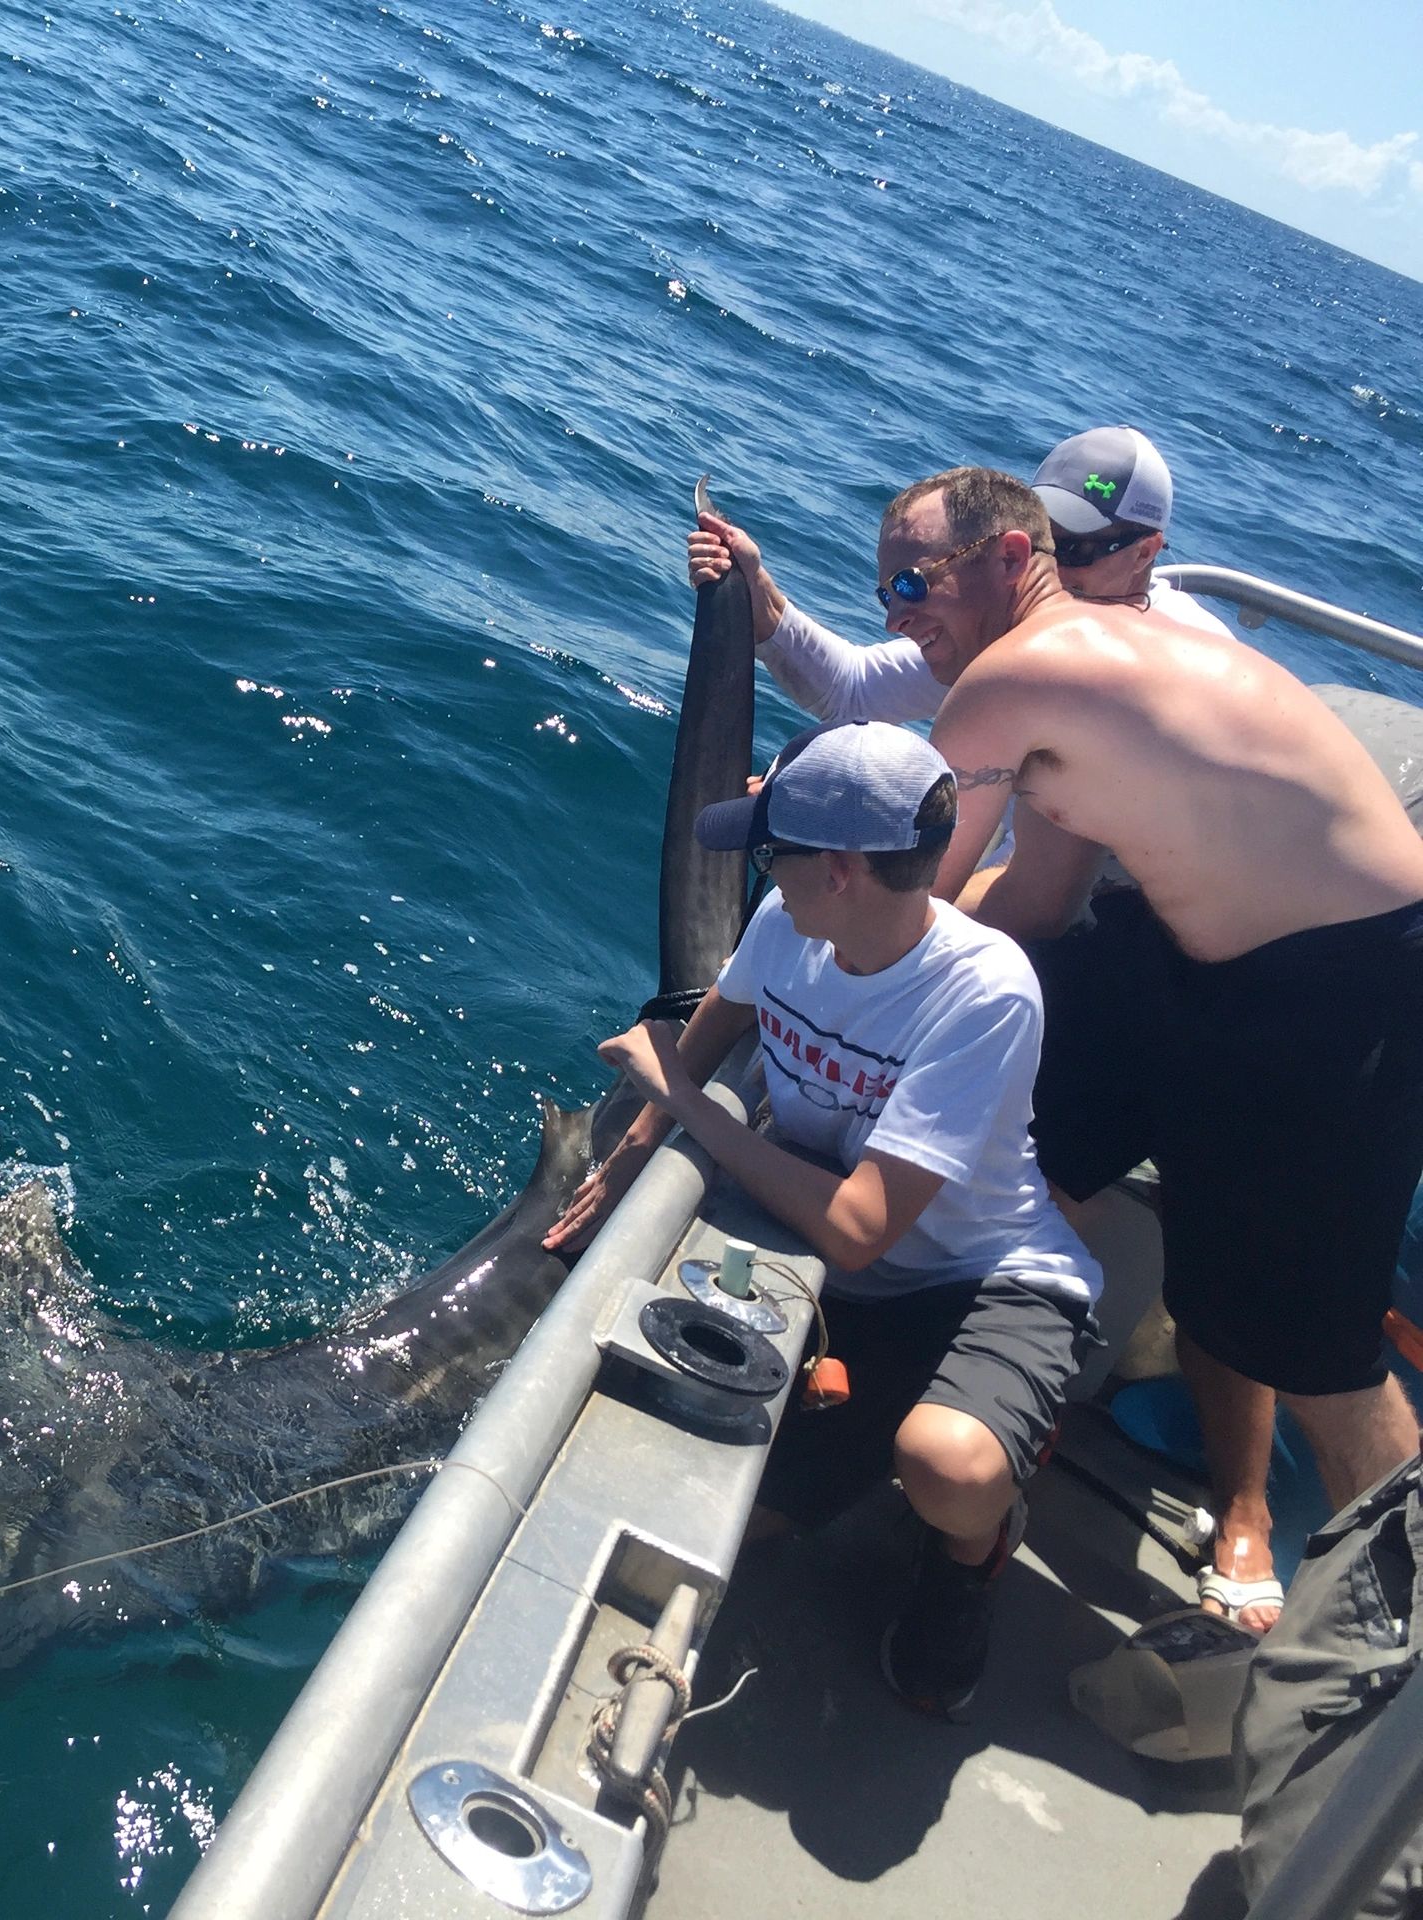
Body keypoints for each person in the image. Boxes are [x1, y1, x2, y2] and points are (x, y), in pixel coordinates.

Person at [882, 462, 1423, 1633]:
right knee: (1019, 1139)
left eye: (916, 579)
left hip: (1346, 987)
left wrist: (788, 957)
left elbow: (901, 912)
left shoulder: (1001, 685)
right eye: (884, 586)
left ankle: (1393, 1655)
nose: (899, 609)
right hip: (1177, 950)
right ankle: (960, 1415)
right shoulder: (1079, 659)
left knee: (1315, 1343)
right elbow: (1035, 896)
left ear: (1009, 562)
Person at [546, 720, 1102, 1717]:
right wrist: (623, 1167)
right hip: (846, 1280)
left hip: (981, 1278)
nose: (764, 873)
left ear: (840, 872)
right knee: (717, 1519)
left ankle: (970, 1558)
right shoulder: (782, 928)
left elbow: (854, 1226)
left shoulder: (984, 995)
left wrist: (673, 1099)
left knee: (947, 1468)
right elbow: (705, 1046)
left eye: (774, 853)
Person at [686, 426, 1228, 727]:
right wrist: (763, 604)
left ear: (1146, 553)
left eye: (1074, 549)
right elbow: (853, 691)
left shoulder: (1169, 667)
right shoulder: (1002, 632)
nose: (1049, 563)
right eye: (1039, 533)